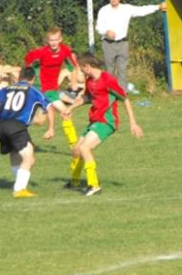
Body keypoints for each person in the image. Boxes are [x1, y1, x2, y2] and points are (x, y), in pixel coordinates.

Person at [61, 53, 143, 197]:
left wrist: (133, 123)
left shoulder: (108, 80)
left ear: (87, 67)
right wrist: (70, 108)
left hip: (106, 121)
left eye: (81, 68)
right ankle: (74, 182)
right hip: (95, 120)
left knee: (85, 148)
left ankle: (94, 185)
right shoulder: (90, 80)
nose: (80, 72)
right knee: (76, 149)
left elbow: (125, 99)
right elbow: (87, 98)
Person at [0, 67, 55, 198]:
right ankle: (19, 189)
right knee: (29, 158)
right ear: (32, 79)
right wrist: (51, 128)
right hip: (15, 126)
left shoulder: (8, 88)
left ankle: (19, 181)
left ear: (19, 77)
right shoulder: (33, 91)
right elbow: (49, 108)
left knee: (15, 151)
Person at [95, 0, 166, 91]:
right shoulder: (104, 10)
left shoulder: (126, 8)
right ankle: (110, 91)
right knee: (109, 69)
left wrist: (158, 7)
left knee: (122, 69)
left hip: (123, 43)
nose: (113, 0)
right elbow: (98, 27)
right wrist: (106, 32)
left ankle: (123, 92)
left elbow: (141, 10)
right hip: (108, 43)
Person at [24, 27, 81, 149]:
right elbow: (27, 61)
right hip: (39, 88)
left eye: (56, 40)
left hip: (51, 89)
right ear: (47, 41)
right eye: (51, 40)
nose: (54, 42)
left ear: (61, 39)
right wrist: (32, 72)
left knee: (60, 114)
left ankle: (73, 144)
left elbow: (73, 68)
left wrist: (75, 82)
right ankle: (73, 144)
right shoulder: (42, 52)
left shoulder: (65, 51)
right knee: (50, 117)